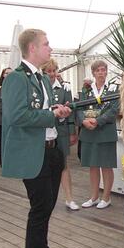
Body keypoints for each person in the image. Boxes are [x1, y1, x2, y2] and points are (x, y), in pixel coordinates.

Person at [2, 28, 72, 248]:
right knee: (40, 208)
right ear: (32, 48)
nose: (50, 48)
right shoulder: (16, 78)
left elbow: (42, 110)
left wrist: (57, 111)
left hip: (51, 150)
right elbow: (16, 116)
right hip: (33, 153)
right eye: (46, 44)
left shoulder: (41, 78)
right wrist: (51, 115)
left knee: (47, 206)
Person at [78, 60, 119, 210]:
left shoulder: (114, 89)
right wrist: (83, 121)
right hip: (89, 132)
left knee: (106, 166)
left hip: (105, 132)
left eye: (103, 70)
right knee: (93, 166)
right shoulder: (86, 90)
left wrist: (98, 120)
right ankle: (94, 197)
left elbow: (114, 110)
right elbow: (79, 108)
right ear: (93, 73)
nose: (101, 73)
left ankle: (106, 197)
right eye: (98, 70)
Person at [41, 59, 79, 211]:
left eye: (54, 70)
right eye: (48, 71)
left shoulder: (65, 87)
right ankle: (47, 198)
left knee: (63, 164)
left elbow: (70, 111)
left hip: (61, 130)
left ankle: (69, 198)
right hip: (45, 131)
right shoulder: (40, 87)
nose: (51, 74)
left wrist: (72, 132)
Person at [0, 67, 12, 166]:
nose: (8, 75)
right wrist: (8, 113)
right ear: (3, 75)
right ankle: (3, 162)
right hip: (2, 119)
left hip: (14, 119)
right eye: (6, 73)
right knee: (2, 141)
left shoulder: (16, 86)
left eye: (10, 73)